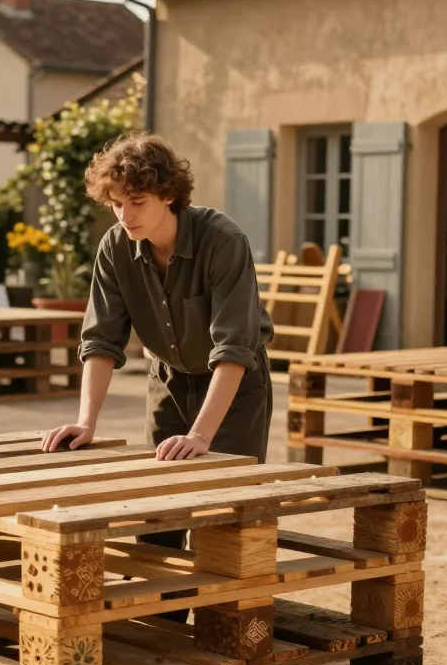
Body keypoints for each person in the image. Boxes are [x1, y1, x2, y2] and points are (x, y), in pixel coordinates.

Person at [42, 133, 274, 579]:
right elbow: (101, 340)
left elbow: (234, 349)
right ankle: (157, 628)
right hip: (167, 380)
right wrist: (86, 422)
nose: (125, 215)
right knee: (156, 514)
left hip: (236, 388)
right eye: (115, 203)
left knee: (227, 517)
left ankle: (225, 636)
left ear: (168, 195)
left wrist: (203, 435)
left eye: (137, 201)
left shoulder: (223, 242)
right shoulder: (114, 248)